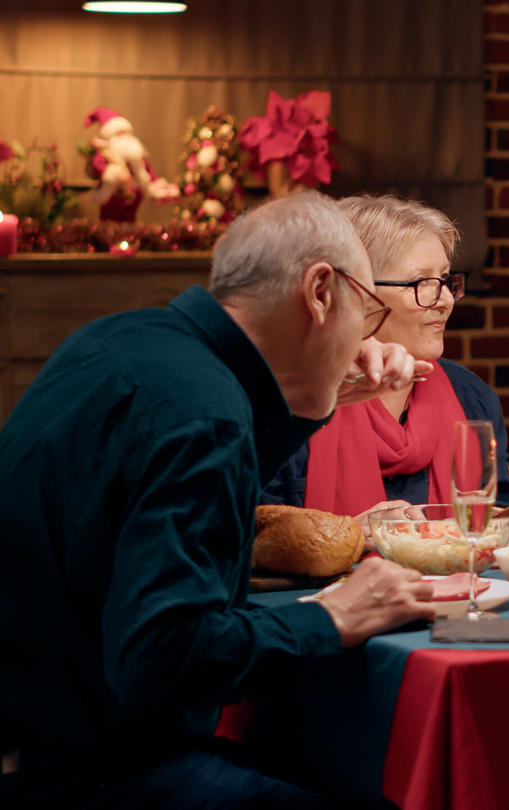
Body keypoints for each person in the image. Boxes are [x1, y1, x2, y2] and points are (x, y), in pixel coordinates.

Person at [0, 191, 437, 809]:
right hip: (84, 769)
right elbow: (160, 656)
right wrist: (335, 616)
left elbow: (200, 515)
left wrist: (320, 394)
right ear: (319, 293)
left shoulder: (131, 342)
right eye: (365, 312)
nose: (365, 339)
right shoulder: (204, 413)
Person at [263, 195, 509, 526]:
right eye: (421, 283)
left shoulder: (472, 397)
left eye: (445, 280)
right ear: (355, 291)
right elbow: (248, 540)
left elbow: (501, 513)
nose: (444, 300)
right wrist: (349, 534)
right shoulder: (293, 402)